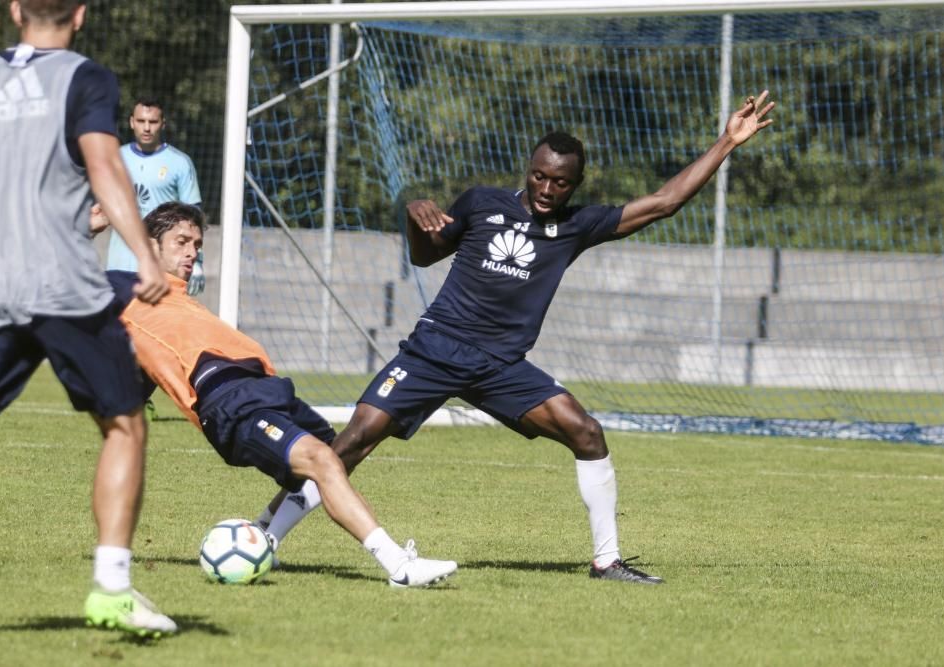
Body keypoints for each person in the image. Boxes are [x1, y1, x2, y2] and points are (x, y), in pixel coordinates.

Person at [259, 91, 776, 584]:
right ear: (526, 170)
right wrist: (415, 212)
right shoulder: (482, 204)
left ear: (575, 184)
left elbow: (664, 202)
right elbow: (423, 254)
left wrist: (727, 141)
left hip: (500, 366)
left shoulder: (579, 226)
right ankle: (264, 541)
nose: (547, 189)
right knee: (351, 443)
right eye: (539, 176)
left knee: (587, 433)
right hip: (435, 349)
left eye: (560, 183)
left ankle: (607, 561)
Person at [93, 201, 458, 589]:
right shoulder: (123, 286)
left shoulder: (180, 295)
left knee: (331, 457)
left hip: (266, 388)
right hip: (227, 398)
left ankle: (264, 535)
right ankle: (399, 565)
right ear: (149, 248)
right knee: (320, 461)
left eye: (197, 244)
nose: (192, 252)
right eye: (181, 242)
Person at [0, 0, 174, 638]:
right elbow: (104, 165)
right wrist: (145, 252)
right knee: (124, 423)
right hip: (64, 286)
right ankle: (112, 590)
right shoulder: (84, 77)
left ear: (14, 11)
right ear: (82, 14)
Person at [107, 97, 206, 295]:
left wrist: (198, 263)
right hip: (118, 263)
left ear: (162, 124)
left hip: (159, 269)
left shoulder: (180, 163)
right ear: (131, 122)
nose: (146, 128)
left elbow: (194, 220)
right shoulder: (115, 157)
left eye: (152, 122)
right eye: (141, 121)